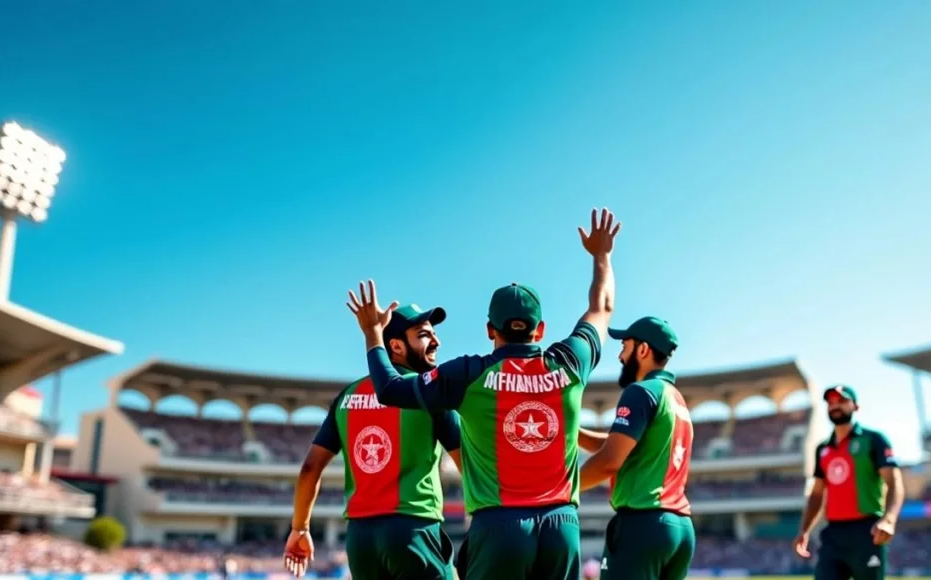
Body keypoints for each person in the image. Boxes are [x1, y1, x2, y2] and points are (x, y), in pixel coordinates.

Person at [344, 208, 621, 580]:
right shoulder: (570, 361)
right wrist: (602, 256)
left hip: (498, 527)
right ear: (540, 330)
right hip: (562, 526)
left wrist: (372, 333)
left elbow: (390, 389)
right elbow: (601, 307)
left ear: (491, 330)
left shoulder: (469, 373)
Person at [283, 304, 463, 580]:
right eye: (424, 334)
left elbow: (310, 468)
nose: (436, 341)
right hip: (413, 530)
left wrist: (300, 529)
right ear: (397, 346)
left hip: (360, 540)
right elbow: (468, 466)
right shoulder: (430, 392)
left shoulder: (347, 396)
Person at [577, 316, 695, 580]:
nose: (620, 355)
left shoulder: (640, 392)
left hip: (642, 526)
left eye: (625, 346)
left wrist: (564, 487)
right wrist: (572, 432)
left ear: (642, 350)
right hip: (680, 528)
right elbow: (618, 443)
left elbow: (610, 459)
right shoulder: (675, 398)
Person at [793, 385, 905, 580]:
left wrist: (889, 519)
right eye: (831, 402)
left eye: (842, 401)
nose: (835, 406)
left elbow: (894, 482)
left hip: (867, 531)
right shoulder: (822, 449)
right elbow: (817, 493)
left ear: (856, 407)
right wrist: (805, 530)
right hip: (833, 534)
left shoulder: (873, 440)